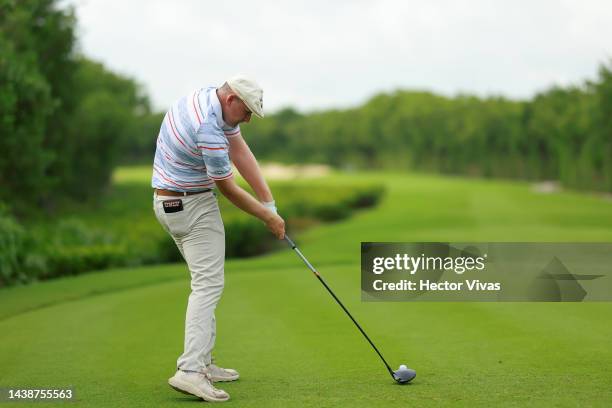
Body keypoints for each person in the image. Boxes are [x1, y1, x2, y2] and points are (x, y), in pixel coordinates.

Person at [151, 75, 285, 402]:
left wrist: (269, 202)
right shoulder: (208, 128)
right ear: (231, 100)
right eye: (248, 111)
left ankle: (204, 363)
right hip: (192, 203)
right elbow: (228, 187)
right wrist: (267, 217)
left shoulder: (207, 99)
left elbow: (240, 150)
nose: (249, 118)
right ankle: (191, 370)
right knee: (208, 284)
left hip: (168, 203)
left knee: (205, 281)